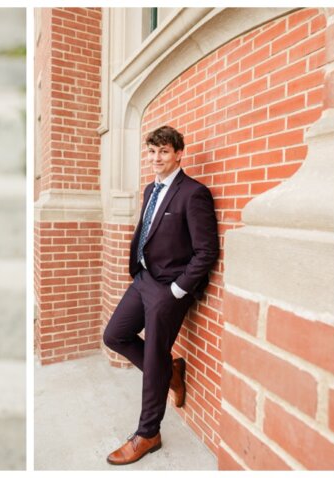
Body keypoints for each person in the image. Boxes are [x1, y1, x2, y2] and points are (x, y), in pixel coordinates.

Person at [102, 126, 219, 465]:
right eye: (152, 152)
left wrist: (177, 291)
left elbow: (206, 250)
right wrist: (140, 271)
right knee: (115, 335)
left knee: (153, 356)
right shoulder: (151, 188)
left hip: (169, 288)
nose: (156, 158)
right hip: (143, 279)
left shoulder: (194, 193)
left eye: (164, 152)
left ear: (179, 153)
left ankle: (148, 432)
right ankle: (170, 371)